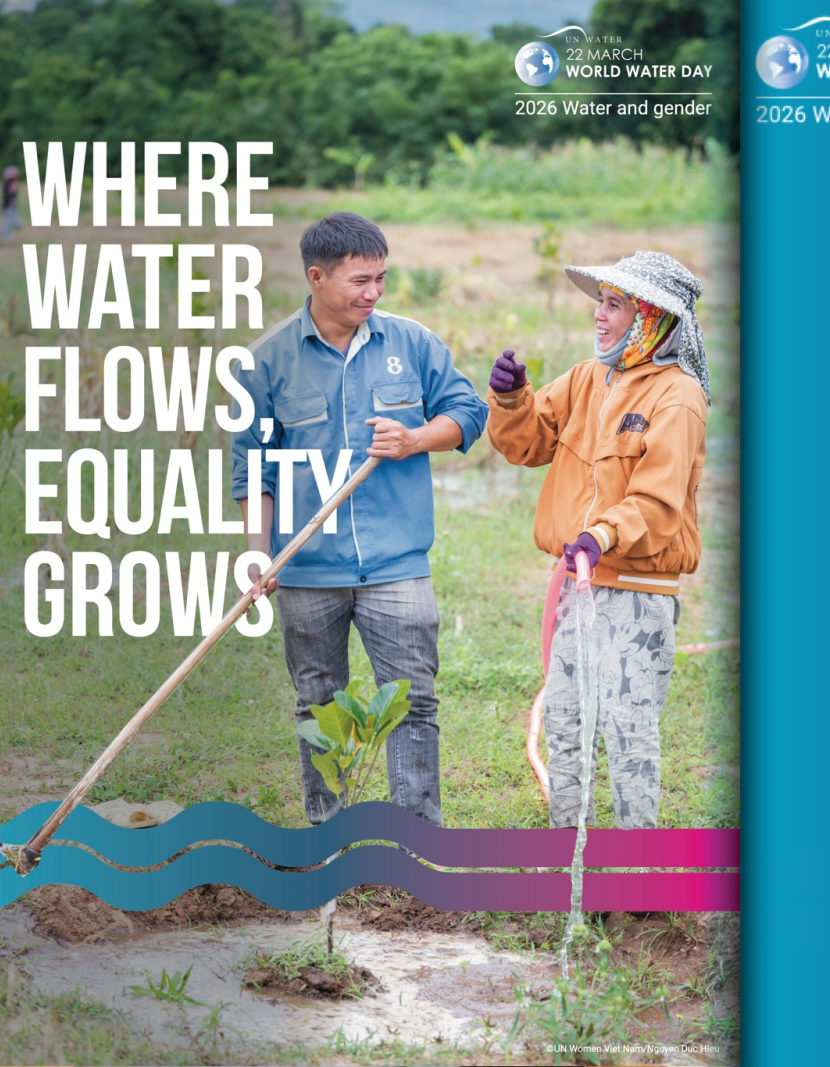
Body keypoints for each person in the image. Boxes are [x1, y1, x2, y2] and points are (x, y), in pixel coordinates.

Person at [231, 212, 488, 826]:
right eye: (359, 281)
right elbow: (254, 470)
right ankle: (329, 836)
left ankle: (417, 840)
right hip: (307, 571)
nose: (373, 293)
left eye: (381, 279)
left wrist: (416, 438)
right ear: (316, 278)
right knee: (319, 705)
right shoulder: (265, 362)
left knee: (413, 702)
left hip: (397, 565)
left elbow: (468, 413)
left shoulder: (412, 344)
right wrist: (258, 555)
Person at [487, 250, 710, 830]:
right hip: (577, 587)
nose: (600, 315)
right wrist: (512, 400)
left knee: (629, 735)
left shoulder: (678, 396)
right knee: (565, 725)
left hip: (636, 592)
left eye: (615, 305)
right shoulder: (588, 378)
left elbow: (658, 502)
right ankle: (569, 857)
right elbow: (528, 443)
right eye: (601, 303)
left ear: (652, 319)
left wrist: (601, 535)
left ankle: (636, 874)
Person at [0, 165, 21, 243]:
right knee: (8, 222)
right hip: (8, 206)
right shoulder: (6, 186)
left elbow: (13, 196)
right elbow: (5, 198)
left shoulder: (12, 185)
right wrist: (4, 207)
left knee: (15, 222)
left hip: (12, 206)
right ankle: (5, 236)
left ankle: (4, 233)